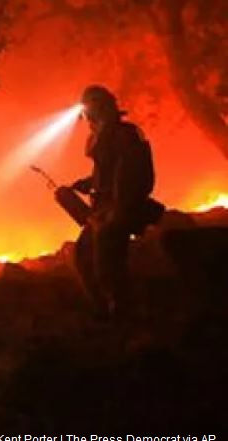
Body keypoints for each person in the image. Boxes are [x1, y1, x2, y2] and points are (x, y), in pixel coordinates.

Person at [70, 85, 164, 318]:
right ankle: (103, 309)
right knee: (82, 255)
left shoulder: (125, 136)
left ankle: (123, 312)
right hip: (105, 209)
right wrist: (88, 183)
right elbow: (107, 171)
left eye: (89, 108)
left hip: (122, 209)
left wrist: (118, 212)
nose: (86, 117)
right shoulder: (106, 138)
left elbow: (133, 177)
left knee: (107, 263)